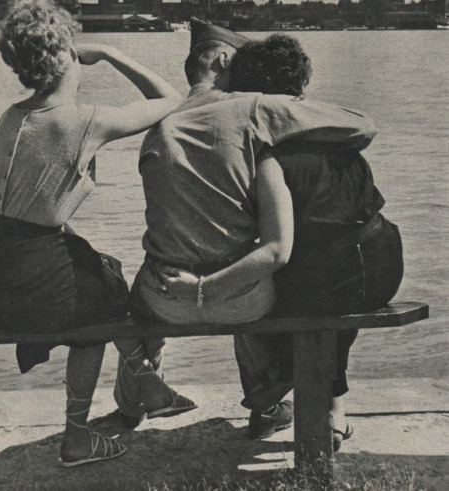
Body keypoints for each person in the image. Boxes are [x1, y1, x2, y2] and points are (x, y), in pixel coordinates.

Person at [114, 18, 378, 439]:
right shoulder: (252, 108)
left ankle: (132, 405)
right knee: (263, 274)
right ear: (222, 59)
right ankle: (265, 404)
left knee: (132, 289)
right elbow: (361, 125)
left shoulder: (159, 118)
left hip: (165, 298)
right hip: (242, 300)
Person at [0, 0, 195, 468]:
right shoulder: (84, 121)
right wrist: (109, 52)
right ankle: (79, 435)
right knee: (102, 304)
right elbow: (173, 100)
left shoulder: (9, 119)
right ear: (67, 53)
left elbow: (28, 218)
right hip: (27, 281)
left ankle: (147, 383)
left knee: (101, 271)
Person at [226, 34, 404, 450]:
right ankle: (333, 409)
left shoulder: (265, 154)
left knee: (246, 286)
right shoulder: (342, 135)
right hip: (381, 267)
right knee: (327, 280)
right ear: (300, 87)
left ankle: (267, 398)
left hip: (328, 279)